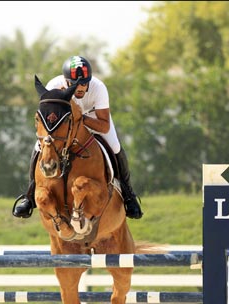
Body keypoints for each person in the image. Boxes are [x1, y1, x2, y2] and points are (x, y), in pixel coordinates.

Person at [12, 55, 143, 219]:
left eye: (84, 82)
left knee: (115, 146)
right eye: (76, 84)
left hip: (93, 120)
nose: (81, 87)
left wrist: (80, 119)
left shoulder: (98, 88)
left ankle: (128, 194)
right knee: (38, 147)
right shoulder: (54, 85)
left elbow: (104, 125)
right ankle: (29, 195)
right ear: (65, 81)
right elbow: (48, 118)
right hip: (65, 125)